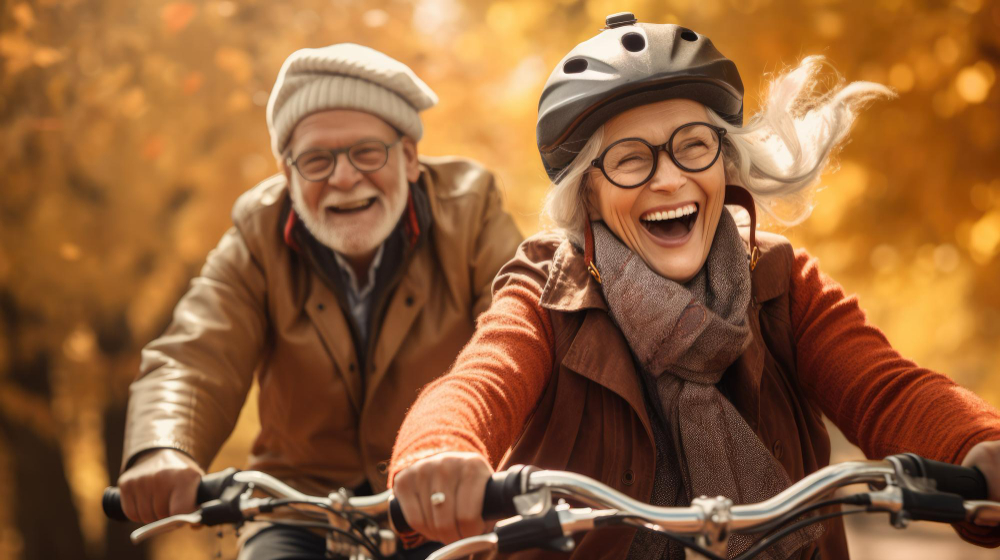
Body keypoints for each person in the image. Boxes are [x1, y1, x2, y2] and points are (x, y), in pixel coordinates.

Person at [388, 13, 1000, 559]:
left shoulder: (781, 281)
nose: (669, 178)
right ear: (588, 193)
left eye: (693, 147)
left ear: (724, 165)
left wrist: (976, 442)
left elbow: (885, 387)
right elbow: (483, 377)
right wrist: (441, 452)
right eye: (631, 158)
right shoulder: (553, 286)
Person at [115, 43, 523, 558]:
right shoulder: (256, 233)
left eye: (367, 152)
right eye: (315, 159)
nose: (344, 177)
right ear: (287, 175)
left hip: (442, 486)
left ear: (410, 157)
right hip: (297, 506)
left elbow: (513, 330)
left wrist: (462, 445)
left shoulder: (471, 208)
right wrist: (162, 445)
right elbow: (194, 353)